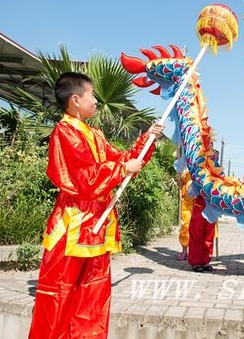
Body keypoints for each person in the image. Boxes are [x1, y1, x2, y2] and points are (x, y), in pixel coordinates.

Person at [28, 72, 164, 339]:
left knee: (93, 296)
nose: (96, 101)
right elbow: (82, 176)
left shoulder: (95, 135)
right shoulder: (64, 133)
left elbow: (122, 159)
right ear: (76, 100)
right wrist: (123, 168)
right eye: (92, 95)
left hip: (97, 225)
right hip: (72, 225)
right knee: (60, 296)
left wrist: (146, 140)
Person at [176, 169, 193, 261]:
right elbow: (180, 180)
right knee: (185, 226)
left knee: (198, 228)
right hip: (187, 201)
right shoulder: (186, 165)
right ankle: (184, 251)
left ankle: (194, 252)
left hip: (199, 200)